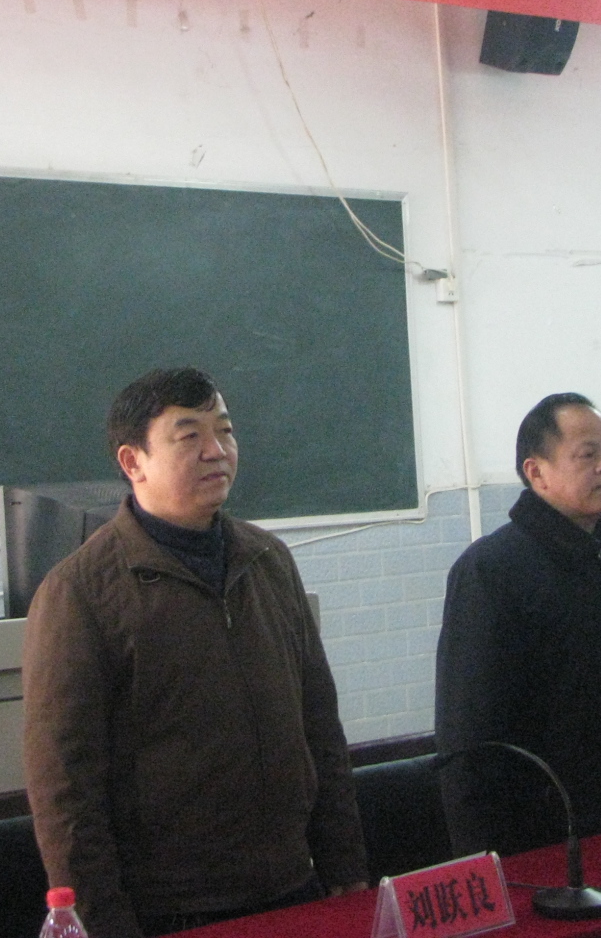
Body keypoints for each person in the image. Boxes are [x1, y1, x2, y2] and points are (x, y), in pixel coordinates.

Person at [21, 368, 367, 938]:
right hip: (173, 909)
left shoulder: (268, 560)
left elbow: (319, 725)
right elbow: (64, 788)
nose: (217, 451)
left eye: (225, 431)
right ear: (133, 462)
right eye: (190, 436)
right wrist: (104, 925)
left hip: (293, 887)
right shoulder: (79, 592)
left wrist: (345, 865)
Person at [435, 393, 601, 856]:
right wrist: (482, 854)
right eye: (587, 454)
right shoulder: (492, 571)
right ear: (536, 472)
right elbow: (469, 732)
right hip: (548, 837)